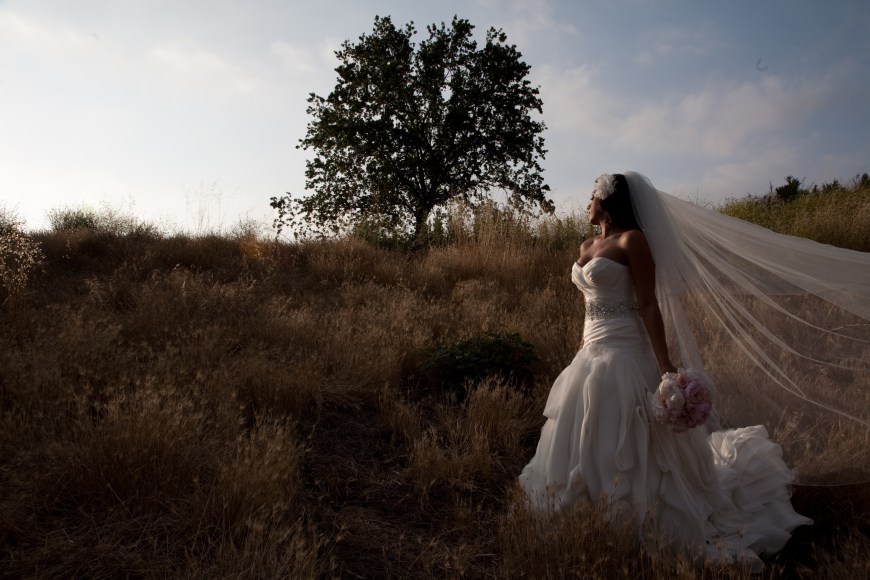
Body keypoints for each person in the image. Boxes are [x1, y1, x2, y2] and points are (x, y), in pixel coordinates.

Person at [518, 172, 823, 571]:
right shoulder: (586, 245)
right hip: (590, 351)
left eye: (592, 196)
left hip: (627, 350)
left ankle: (638, 511)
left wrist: (665, 367)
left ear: (608, 201)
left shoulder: (633, 241)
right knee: (583, 427)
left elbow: (648, 304)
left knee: (629, 435)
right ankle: (587, 507)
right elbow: (590, 305)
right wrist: (582, 347)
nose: (587, 203)